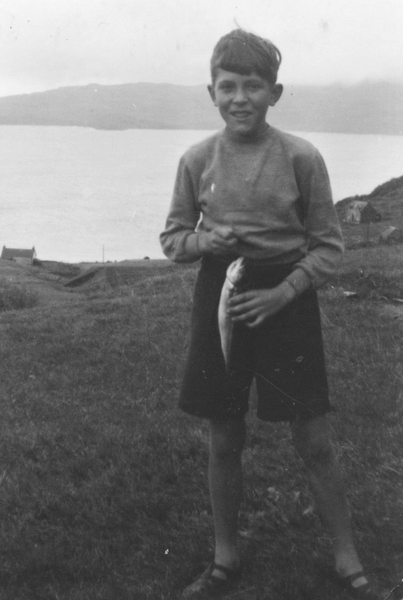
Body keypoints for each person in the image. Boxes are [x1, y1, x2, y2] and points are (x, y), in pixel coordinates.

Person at [160, 29, 385, 600]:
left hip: (287, 298)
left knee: (313, 438)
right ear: (210, 92)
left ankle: (347, 557)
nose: (240, 98)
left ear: (275, 92)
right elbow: (173, 238)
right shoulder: (196, 159)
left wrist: (283, 293)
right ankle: (224, 558)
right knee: (223, 435)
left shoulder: (301, 156)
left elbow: (329, 246)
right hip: (223, 295)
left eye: (252, 86)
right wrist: (204, 244)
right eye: (228, 86)